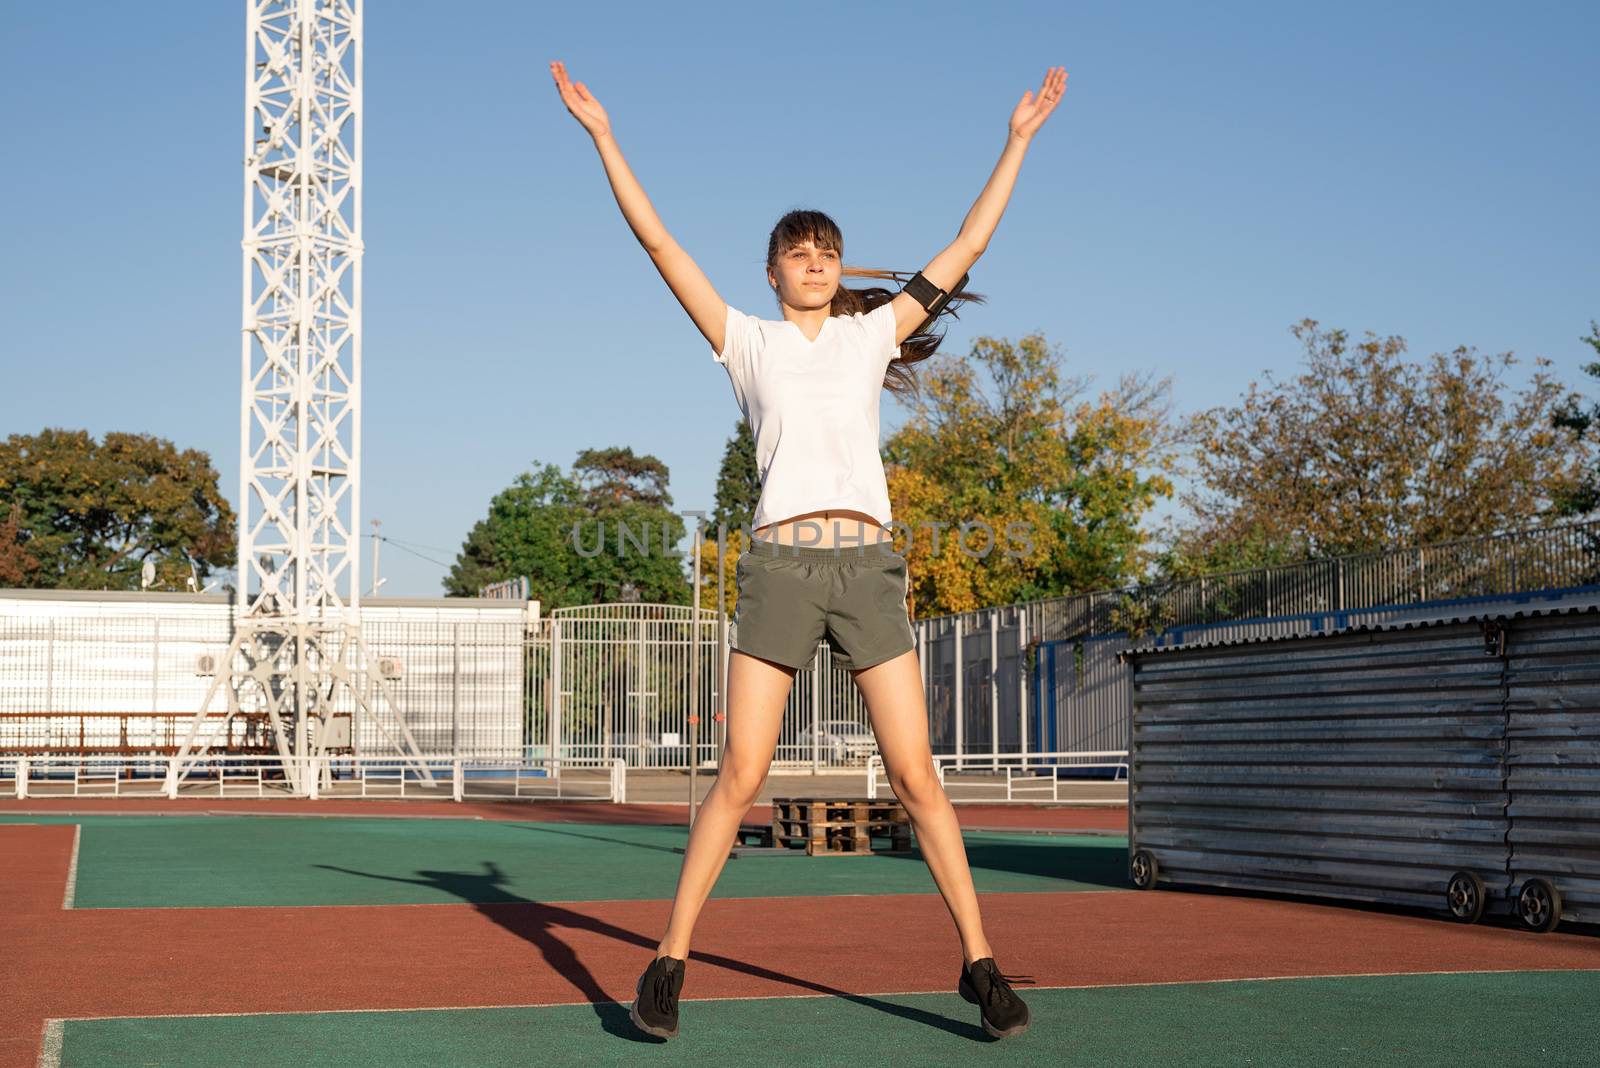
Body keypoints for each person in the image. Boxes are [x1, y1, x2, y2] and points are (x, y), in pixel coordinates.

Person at [550, 58, 1067, 1041]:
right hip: (781, 572)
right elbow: (659, 244)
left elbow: (966, 243)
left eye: (828, 249)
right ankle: (668, 963)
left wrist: (1017, 140)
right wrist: (604, 136)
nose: (817, 260)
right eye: (798, 252)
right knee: (739, 774)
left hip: (867, 571)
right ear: (774, 273)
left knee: (918, 779)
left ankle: (980, 964)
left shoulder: (872, 337)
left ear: (840, 268)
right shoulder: (745, 341)